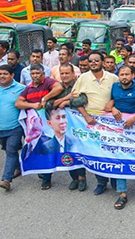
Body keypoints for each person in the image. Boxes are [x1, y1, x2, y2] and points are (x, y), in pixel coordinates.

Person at [104, 65, 135, 209]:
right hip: (119, 130)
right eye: (122, 74)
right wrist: (113, 109)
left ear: (133, 75)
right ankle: (122, 193)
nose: (124, 77)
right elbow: (107, 106)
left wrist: (134, 119)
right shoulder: (114, 87)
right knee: (120, 158)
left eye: (127, 74)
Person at [71, 51, 119, 195]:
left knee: (113, 151)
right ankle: (101, 182)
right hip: (91, 122)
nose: (93, 63)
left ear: (103, 62)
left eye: (96, 60)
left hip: (111, 123)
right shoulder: (83, 78)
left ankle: (115, 180)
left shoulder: (113, 78)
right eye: (90, 61)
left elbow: (120, 95)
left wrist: (112, 103)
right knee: (97, 152)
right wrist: (85, 116)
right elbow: (74, 99)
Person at [14, 63, 63, 190]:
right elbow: (18, 103)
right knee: (37, 150)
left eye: (37, 74)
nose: (35, 76)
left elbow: (58, 88)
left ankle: (47, 179)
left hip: (49, 126)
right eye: (33, 74)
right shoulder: (28, 88)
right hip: (34, 128)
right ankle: (43, 170)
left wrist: (45, 98)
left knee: (48, 149)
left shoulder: (48, 82)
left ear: (43, 74)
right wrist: (33, 105)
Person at [44, 63, 88, 191]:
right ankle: (74, 178)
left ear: (73, 73)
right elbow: (49, 104)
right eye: (62, 73)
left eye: (67, 73)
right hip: (63, 125)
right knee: (67, 151)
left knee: (78, 150)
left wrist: (67, 102)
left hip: (78, 124)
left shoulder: (79, 85)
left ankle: (81, 177)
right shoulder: (57, 87)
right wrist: (65, 98)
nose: (64, 76)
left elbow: (83, 100)